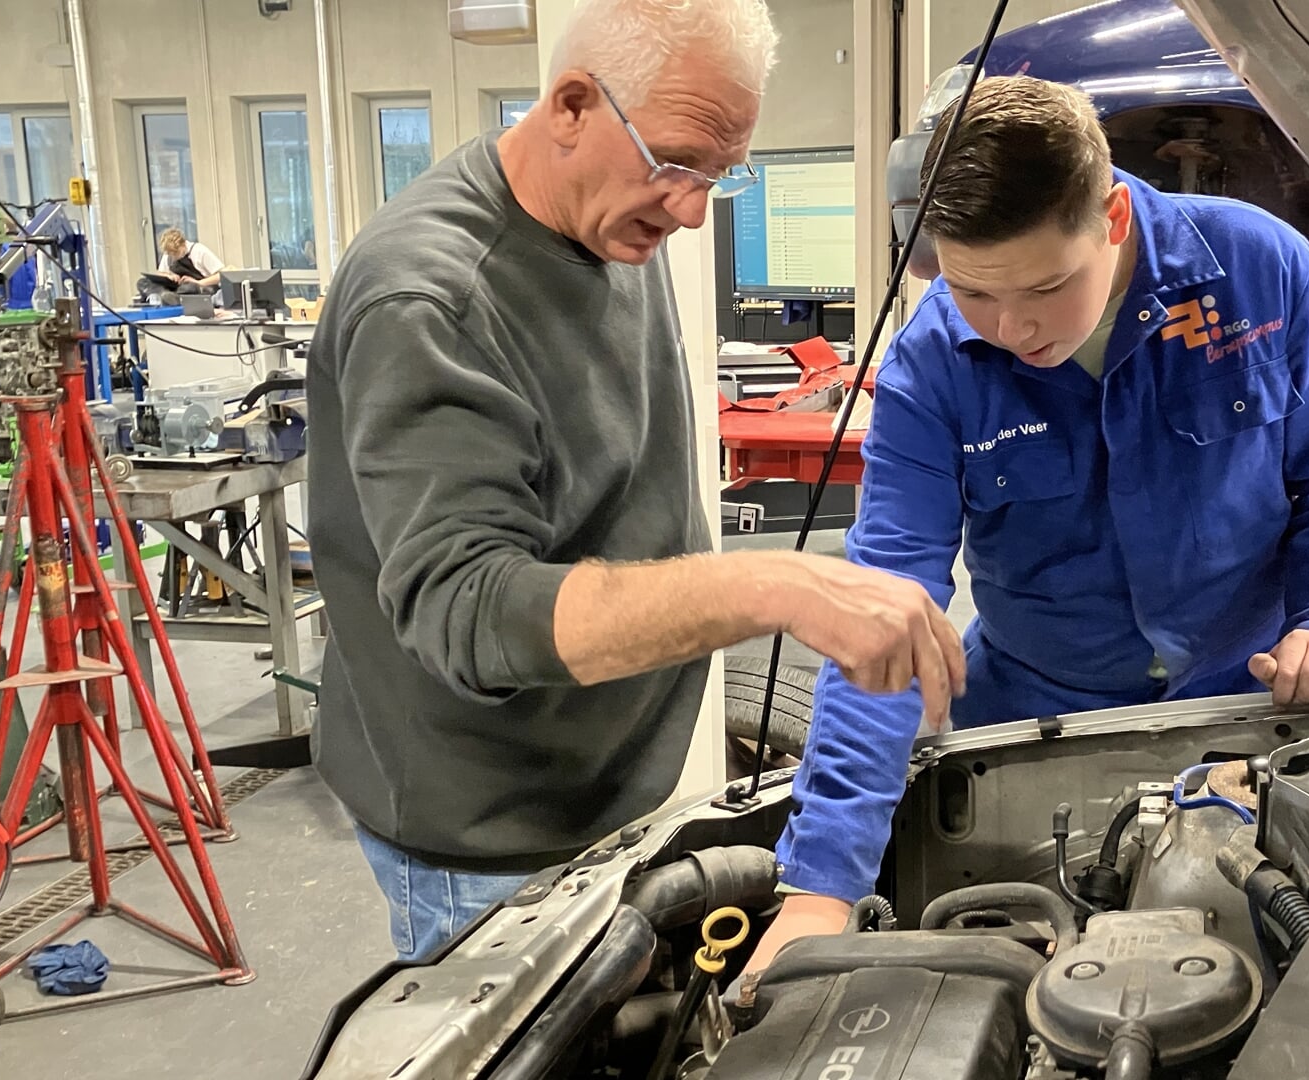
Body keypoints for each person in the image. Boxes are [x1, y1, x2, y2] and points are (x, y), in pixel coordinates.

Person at [305, 0, 966, 963]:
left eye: (719, 173)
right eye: (677, 162)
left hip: (615, 796)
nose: (694, 207)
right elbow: (468, 610)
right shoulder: (430, 300)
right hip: (488, 839)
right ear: (571, 104)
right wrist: (772, 584)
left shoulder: (607, 215)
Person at [745, 75, 1309, 970]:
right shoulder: (933, 363)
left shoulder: (1261, 271)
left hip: (1248, 699)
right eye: (974, 292)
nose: (1012, 328)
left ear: (1115, 217)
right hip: (1029, 715)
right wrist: (819, 887)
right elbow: (882, 611)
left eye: (1047, 286)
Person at [152, 227, 223, 293]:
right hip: (178, 287)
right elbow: (161, 273)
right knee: (144, 282)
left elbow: (221, 275)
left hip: (201, 288)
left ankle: (172, 297)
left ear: (183, 244)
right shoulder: (168, 254)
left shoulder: (199, 250)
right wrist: (169, 276)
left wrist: (198, 283)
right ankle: (165, 296)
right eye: (171, 254)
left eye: (176, 253)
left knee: (190, 287)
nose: (173, 257)